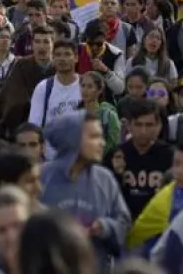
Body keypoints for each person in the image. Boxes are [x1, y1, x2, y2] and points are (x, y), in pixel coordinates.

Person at [38, 112, 130, 268]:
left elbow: (124, 223)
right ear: (72, 140)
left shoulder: (104, 178)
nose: (102, 143)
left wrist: (103, 227)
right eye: (94, 137)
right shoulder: (42, 177)